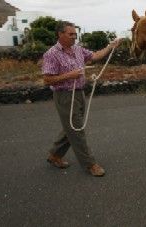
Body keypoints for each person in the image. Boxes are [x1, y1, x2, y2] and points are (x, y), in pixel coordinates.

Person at [42, 21, 121, 177]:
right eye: (70, 34)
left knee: (71, 127)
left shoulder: (77, 50)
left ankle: (55, 155)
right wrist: (69, 75)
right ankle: (90, 164)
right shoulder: (51, 54)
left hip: (79, 93)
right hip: (65, 96)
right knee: (77, 131)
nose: (74, 37)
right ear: (60, 34)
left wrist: (110, 46)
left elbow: (95, 55)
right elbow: (47, 79)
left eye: (75, 34)